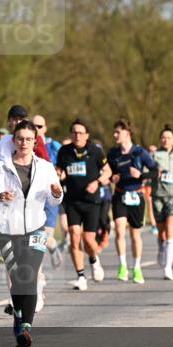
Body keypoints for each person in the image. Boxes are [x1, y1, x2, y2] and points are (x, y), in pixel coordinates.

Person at [0, 120, 64, 347]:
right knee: (17, 278)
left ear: (35, 141)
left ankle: (25, 327)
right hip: (8, 229)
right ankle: (18, 318)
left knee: (29, 275)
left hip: (36, 228)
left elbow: (54, 198)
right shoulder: (1, 168)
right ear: (13, 141)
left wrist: (57, 193)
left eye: (29, 139)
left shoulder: (45, 168)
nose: (24, 143)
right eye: (20, 139)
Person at [56, 119, 111, 291]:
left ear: (86, 135)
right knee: (73, 234)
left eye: (80, 132)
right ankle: (80, 276)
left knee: (88, 239)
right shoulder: (64, 151)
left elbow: (108, 171)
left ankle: (94, 260)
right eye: (74, 132)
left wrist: (98, 183)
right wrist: (59, 175)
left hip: (91, 201)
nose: (77, 135)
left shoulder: (95, 151)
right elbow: (61, 171)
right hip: (72, 200)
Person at [107, 119, 157, 283]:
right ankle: (122, 266)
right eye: (114, 132)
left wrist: (141, 176)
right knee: (120, 230)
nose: (115, 135)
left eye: (118, 132)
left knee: (135, 235)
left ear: (127, 134)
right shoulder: (112, 154)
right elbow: (108, 174)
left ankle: (136, 267)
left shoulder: (140, 152)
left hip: (136, 195)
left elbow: (155, 172)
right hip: (120, 195)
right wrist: (112, 178)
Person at [152, 126, 173, 280]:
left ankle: (168, 268)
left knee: (171, 229)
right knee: (162, 231)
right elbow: (147, 170)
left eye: (169, 138)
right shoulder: (154, 155)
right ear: (160, 140)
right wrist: (154, 171)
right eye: (163, 137)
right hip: (158, 195)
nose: (166, 140)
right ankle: (161, 248)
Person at [32, 114, 65, 268]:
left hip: (50, 195)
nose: (36, 129)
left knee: (44, 235)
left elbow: (66, 162)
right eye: (33, 126)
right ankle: (52, 247)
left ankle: (50, 246)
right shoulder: (25, 145)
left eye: (39, 126)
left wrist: (61, 172)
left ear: (45, 128)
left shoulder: (54, 146)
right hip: (33, 196)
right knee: (36, 237)